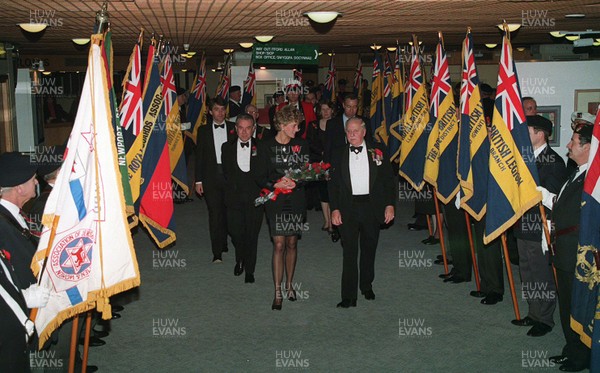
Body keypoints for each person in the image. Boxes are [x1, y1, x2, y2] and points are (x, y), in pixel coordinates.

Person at [538, 117, 593, 372]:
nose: (568, 145)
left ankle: (581, 358)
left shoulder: (594, 180)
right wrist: (543, 194)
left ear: (588, 147)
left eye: (573, 142)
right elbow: (562, 206)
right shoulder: (576, 172)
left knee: (580, 307)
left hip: (579, 254)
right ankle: (570, 349)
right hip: (564, 250)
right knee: (566, 306)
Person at [328, 117, 395, 308]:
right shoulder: (338, 153)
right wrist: (335, 209)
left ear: (364, 132)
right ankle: (348, 295)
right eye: (348, 131)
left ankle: (366, 285)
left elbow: (388, 180)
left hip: (371, 207)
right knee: (349, 252)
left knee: (369, 248)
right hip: (347, 208)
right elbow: (332, 185)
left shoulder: (378, 150)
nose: (351, 135)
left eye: (355, 131)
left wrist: (390, 204)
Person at [511, 115, 567, 336]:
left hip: (540, 226)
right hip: (522, 223)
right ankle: (533, 313)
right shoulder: (524, 157)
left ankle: (545, 319)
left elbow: (554, 197)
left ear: (541, 134)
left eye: (529, 130)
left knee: (541, 273)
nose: (525, 135)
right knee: (526, 272)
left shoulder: (553, 161)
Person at [256, 106, 309, 310]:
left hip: (295, 200)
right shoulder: (265, 146)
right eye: (294, 126)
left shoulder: (301, 145)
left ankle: (289, 284)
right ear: (282, 125)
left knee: (292, 243)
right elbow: (258, 175)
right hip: (275, 200)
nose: (297, 129)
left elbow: (306, 173)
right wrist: (275, 185)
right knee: (279, 244)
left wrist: (297, 182)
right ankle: (277, 290)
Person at [221, 114, 263, 284]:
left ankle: (249, 270)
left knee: (252, 235)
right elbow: (226, 173)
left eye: (248, 128)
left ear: (254, 129)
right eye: (241, 128)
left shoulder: (262, 147)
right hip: (234, 198)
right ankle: (241, 257)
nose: (244, 132)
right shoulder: (227, 147)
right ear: (235, 128)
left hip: (255, 198)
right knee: (236, 232)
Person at [195, 97, 236, 263]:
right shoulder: (203, 131)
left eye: (222, 109)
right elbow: (199, 158)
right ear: (210, 112)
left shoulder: (234, 128)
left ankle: (224, 240)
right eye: (217, 109)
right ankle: (217, 252)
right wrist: (198, 181)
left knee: (228, 212)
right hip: (210, 177)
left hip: (230, 177)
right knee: (215, 214)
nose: (220, 112)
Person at [308, 100, 336, 234]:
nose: (325, 112)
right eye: (323, 109)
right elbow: (310, 143)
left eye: (328, 109)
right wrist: (322, 153)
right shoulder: (313, 125)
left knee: (332, 192)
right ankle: (327, 220)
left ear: (332, 110)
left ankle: (333, 221)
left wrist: (329, 154)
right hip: (318, 162)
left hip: (334, 162)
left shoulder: (338, 124)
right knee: (323, 192)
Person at [324, 93, 372, 163]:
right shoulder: (332, 123)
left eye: (354, 107)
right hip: (338, 161)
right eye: (349, 106)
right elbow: (328, 147)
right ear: (343, 105)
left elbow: (369, 142)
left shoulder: (365, 122)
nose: (351, 110)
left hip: (359, 160)